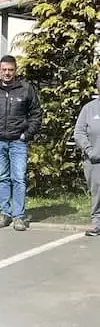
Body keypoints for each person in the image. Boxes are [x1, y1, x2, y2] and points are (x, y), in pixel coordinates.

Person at [0, 55, 43, 231]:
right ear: (0, 70)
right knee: (3, 178)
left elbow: (36, 114)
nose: (7, 73)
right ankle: (5, 214)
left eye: (10, 70)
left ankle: (18, 217)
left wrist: (26, 135)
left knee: (19, 178)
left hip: (18, 142)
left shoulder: (26, 90)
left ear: (15, 70)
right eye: (4, 70)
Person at [73, 74, 100, 237]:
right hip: (94, 161)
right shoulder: (89, 109)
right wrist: (90, 151)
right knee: (97, 193)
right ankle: (97, 224)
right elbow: (79, 132)